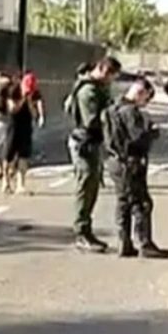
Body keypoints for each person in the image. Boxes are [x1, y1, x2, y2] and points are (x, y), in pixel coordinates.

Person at [102, 78, 168, 258]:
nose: (145, 103)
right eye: (146, 99)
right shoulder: (130, 112)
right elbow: (137, 137)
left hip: (114, 160)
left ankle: (124, 242)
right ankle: (144, 243)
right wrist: (152, 132)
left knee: (123, 201)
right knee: (141, 203)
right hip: (130, 161)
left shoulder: (111, 109)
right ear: (141, 93)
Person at [67, 57, 123, 252]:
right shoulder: (88, 91)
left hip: (92, 143)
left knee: (92, 187)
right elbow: (92, 121)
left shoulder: (98, 88)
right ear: (102, 70)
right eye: (110, 77)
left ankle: (86, 231)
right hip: (85, 143)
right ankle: (81, 232)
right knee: (86, 186)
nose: (110, 82)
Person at [4, 71, 44, 195]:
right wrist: (22, 99)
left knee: (24, 156)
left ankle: (21, 184)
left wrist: (30, 103)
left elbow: (34, 114)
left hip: (26, 126)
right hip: (13, 125)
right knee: (9, 155)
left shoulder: (34, 92)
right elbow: (12, 109)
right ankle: (5, 181)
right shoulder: (14, 90)